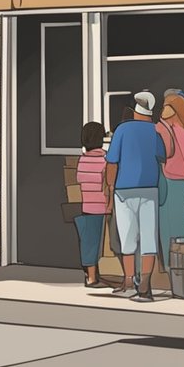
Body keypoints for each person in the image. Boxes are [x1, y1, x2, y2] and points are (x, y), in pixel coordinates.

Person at [106, 92, 167, 302]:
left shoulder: (122, 130)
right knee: (148, 238)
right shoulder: (155, 131)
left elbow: (112, 161)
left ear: (134, 110)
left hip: (124, 189)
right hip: (150, 188)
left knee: (128, 237)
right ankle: (145, 287)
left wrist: (110, 187)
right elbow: (164, 155)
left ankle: (129, 282)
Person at [157, 92, 184, 268]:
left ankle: (168, 265)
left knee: (166, 225)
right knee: (181, 225)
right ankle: (181, 264)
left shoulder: (166, 130)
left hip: (167, 179)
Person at [75, 121, 111, 288]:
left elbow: (79, 181)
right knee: (106, 244)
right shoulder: (106, 158)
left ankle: (91, 277)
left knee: (89, 242)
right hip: (105, 207)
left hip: (87, 207)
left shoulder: (82, 161)